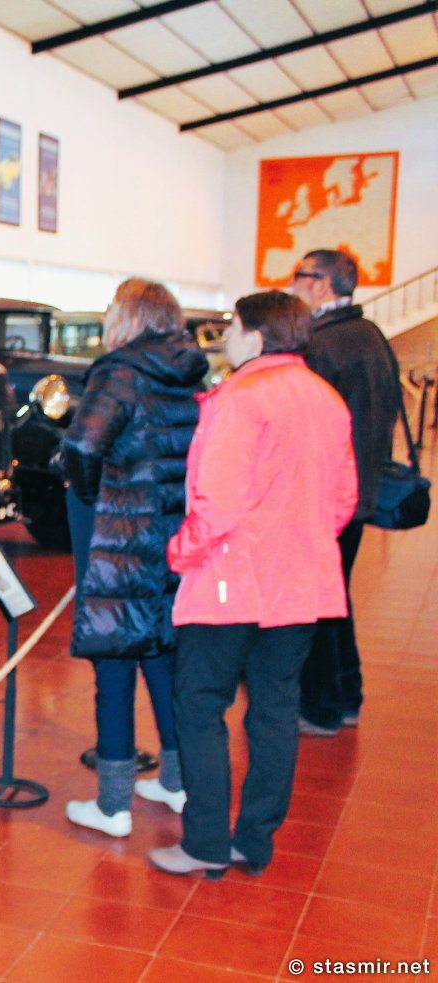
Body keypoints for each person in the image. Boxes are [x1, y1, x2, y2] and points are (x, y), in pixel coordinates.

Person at [149, 291, 357, 879]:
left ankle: (205, 842)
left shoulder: (239, 397)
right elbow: (343, 498)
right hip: (301, 582)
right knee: (274, 710)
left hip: (230, 580)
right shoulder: (326, 397)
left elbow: (216, 504)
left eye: (232, 328)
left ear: (256, 335)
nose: (226, 340)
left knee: (199, 705)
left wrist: (179, 553)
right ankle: (255, 841)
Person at [62, 278, 208, 838]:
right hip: (172, 533)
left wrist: (92, 494)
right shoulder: (190, 373)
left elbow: (82, 446)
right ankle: (177, 781)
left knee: (115, 661)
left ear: (128, 316)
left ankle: (113, 805)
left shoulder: (119, 372)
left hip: (121, 537)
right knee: (163, 656)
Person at [290, 249, 401, 736]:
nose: (293, 284)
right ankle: (347, 695)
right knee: (337, 596)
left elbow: (307, 426)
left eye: (299, 275)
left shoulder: (323, 344)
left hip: (327, 493)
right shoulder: (370, 334)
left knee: (318, 601)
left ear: (322, 284)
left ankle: (321, 708)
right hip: (358, 490)